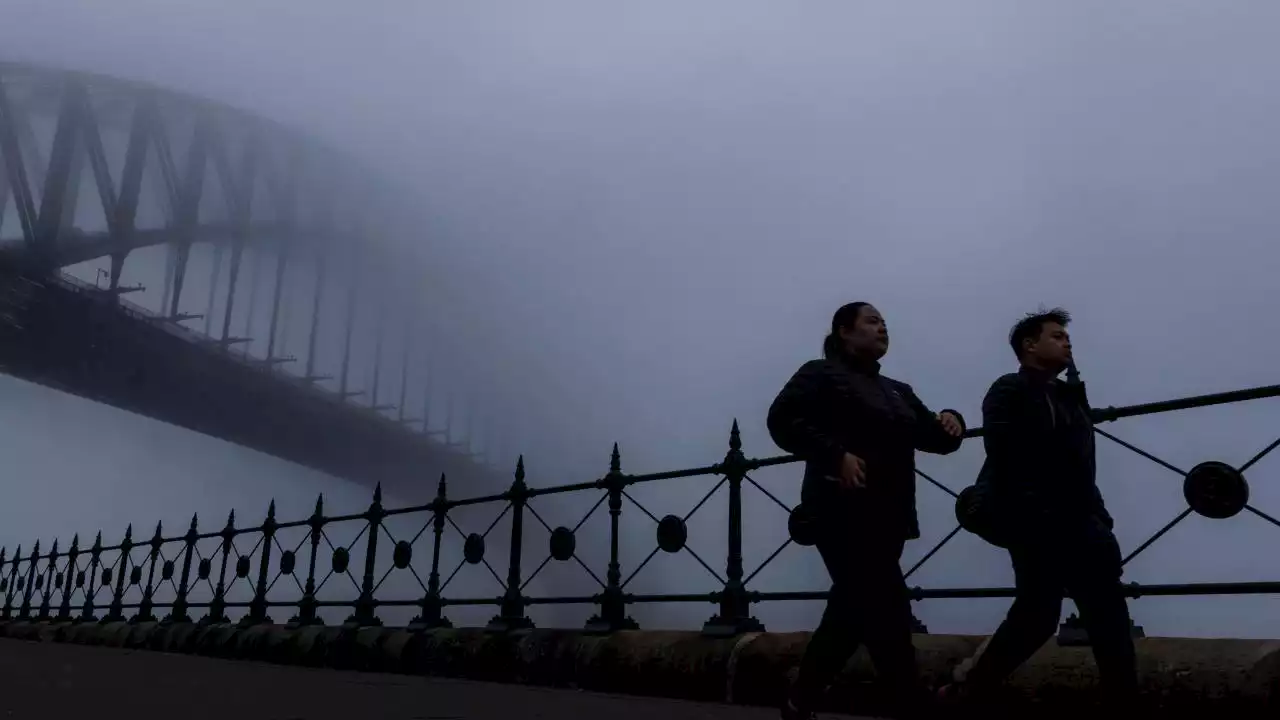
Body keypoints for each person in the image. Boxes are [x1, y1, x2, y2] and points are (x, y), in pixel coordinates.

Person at [768, 301, 966, 720]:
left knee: (854, 609)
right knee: (886, 606)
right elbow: (781, 420)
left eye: (884, 323)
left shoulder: (897, 391)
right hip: (838, 509)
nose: (882, 328)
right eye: (872, 321)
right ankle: (911, 701)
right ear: (844, 330)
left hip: (889, 516)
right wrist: (834, 454)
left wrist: (953, 419)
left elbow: (936, 437)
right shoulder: (819, 374)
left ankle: (800, 697)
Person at [943, 308, 1137, 704]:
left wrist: (1099, 516)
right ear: (1029, 345)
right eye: (1056, 335)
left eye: (1067, 336)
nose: (1066, 341)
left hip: (1079, 521)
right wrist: (1040, 512)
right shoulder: (1009, 388)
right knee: (1039, 616)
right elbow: (1004, 453)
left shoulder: (1068, 396)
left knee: (1104, 618)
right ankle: (970, 692)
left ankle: (969, 692)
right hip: (1037, 521)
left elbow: (1083, 465)